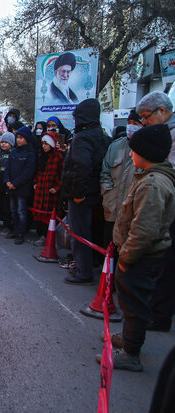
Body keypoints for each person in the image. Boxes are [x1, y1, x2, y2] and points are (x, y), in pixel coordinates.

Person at [96, 124, 175, 371]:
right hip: (136, 254)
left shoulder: (153, 183)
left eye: (134, 151)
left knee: (135, 302)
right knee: (131, 303)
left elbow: (145, 230)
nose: (131, 155)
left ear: (147, 153)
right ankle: (129, 338)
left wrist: (126, 257)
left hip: (141, 257)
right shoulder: (148, 178)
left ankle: (130, 352)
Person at [136, 91, 175, 332]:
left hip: (165, 205)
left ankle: (159, 315)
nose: (144, 122)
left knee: (166, 263)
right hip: (160, 203)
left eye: (146, 116)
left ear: (162, 111)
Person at [60, 98, 110, 285]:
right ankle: (94, 264)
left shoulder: (83, 138)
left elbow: (82, 167)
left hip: (83, 194)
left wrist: (78, 193)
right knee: (95, 231)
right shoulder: (103, 137)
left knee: (80, 234)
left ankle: (83, 272)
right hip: (98, 192)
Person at [100, 110, 143, 248]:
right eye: (129, 123)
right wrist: (108, 195)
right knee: (110, 248)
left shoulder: (148, 150)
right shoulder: (116, 146)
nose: (131, 126)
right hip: (112, 209)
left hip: (133, 214)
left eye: (135, 124)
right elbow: (105, 173)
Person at [4, 127, 37, 244]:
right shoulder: (13, 152)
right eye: (17, 137)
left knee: (21, 211)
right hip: (11, 187)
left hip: (22, 188)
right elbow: (7, 168)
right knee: (13, 210)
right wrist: (7, 181)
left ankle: (21, 233)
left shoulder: (30, 154)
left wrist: (15, 183)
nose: (18, 140)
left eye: (21, 138)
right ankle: (15, 230)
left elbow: (28, 173)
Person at [32, 132, 64, 246]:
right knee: (40, 214)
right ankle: (41, 235)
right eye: (43, 143)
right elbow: (38, 171)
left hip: (51, 191)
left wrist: (56, 187)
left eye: (46, 144)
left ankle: (48, 237)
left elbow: (62, 175)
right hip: (41, 189)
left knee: (49, 215)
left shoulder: (59, 157)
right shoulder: (41, 156)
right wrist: (35, 182)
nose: (44, 146)